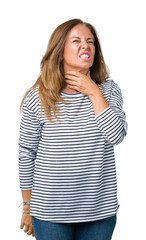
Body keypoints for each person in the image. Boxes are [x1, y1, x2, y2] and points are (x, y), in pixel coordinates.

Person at [18, 18, 128, 240]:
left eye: (90, 41)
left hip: (99, 213)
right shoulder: (38, 96)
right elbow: (26, 154)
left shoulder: (109, 91)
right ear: (60, 51)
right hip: (49, 214)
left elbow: (116, 135)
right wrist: (27, 207)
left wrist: (93, 92)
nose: (85, 45)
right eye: (76, 41)